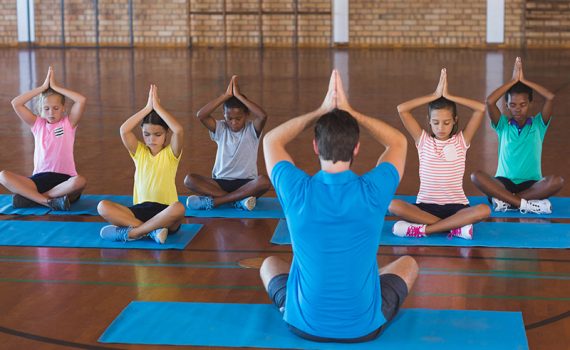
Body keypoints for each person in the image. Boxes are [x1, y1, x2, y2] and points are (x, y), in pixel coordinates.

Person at [260, 70, 418, 342]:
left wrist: (320, 111)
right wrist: (350, 112)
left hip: (302, 324)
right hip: (363, 328)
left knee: (269, 264)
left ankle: (290, 306)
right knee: (408, 264)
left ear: (315, 146)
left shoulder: (296, 189)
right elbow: (398, 142)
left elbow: (271, 140)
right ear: (356, 148)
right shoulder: (373, 191)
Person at [389, 68, 490, 239]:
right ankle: (454, 228)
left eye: (446, 122)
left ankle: (424, 230)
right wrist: (434, 95)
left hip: (457, 208)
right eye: (435, 122)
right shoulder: (423, 140)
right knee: (393, 205)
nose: (441, 128)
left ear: (455, 121)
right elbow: (402, 109)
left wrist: (450, 96)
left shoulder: (461, 140)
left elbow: (480, 109)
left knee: (484, 210)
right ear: (429, 121)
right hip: (425, 208)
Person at [471, 57, 564, 214]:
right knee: (476, 176)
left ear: (530, 104)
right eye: (512, 105)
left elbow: (550, 97)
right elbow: (490, 101)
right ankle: (526, 204)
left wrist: (524, 80)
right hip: (503, 183)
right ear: (506, 106)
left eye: (523, 104)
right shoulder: (502, 125)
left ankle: (507, 201)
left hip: (531, 185)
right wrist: (513, 80)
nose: (518, 109)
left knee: (557, 181)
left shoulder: (538, 124)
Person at [97, 85, 185, 244]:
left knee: (179, 208)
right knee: (102, 206)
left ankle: (133, 233)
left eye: (158, 134)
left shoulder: (171, 154)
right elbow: (124, 130)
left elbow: (178, 130)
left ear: (166, 134)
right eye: (147, 134)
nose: (152, 139)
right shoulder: (139, 152)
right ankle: (150, 231)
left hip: (165, 212)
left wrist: (158, 107)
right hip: (140, 211)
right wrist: (147, 108)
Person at [0, 66, 86, 211]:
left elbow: (81, 100)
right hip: (39, 180)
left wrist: (56, 87)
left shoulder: (68, 123)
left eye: (56, 108)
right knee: (3, 176)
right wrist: (43, 87)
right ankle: (48, 201)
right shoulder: (37, 124)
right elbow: (16, 103)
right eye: (46, 108)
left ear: (63, 108)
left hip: (65, 181)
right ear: (40, 110)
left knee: (80, 181)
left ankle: (34, 199)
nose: (51, 112)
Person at [184, 76, 270, 211]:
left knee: (264, 181)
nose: (234, 122)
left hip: (246, 184)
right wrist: (226, 96)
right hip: (220, 183)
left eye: (238, 118)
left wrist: (240, 97)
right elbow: (201, 115)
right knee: (189, 179)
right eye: (229, 118)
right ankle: (238, 202)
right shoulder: (220, 128)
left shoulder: (252, 130)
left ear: (246, 115)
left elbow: (263, 115)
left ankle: (215, 202)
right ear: (223, 115)